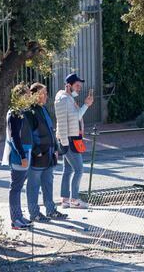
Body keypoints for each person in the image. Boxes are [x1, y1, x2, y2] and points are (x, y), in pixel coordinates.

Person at [26, 83, 68, 222]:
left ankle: (51, 211)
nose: (46, 96)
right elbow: (28, 134)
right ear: (35, 95)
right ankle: (34, 214)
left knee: (48, 184)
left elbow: (51, 130)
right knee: (33, 186)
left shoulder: (43, 109)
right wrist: (36, 151)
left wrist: (56, 148)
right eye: (43, 93)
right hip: (38, 156)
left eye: (46, 93)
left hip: (49, 154)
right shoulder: (29, 111)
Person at [54, 73, 93, 209]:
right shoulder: (65, 99)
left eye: (80, 86)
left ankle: (65, 200)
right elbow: (74, 118)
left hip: (67, 139)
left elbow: (71, 119)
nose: (79, 88)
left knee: (68, 170)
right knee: (79, 169)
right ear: (68, 85)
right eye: (77, 85)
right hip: (69, 140)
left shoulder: (66, 98)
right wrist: (86, 105)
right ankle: (74, 199)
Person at [2, 83, 34, 230]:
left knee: (18, 187)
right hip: (19, 155)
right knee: (15, 188)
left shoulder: (20, 111)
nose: (29, 96)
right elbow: (15, 136)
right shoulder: (14, 112)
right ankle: (15, 220)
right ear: (20, 96)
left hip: (24, 153)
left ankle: (19, 216)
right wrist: (22, 156)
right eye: (27, 94)